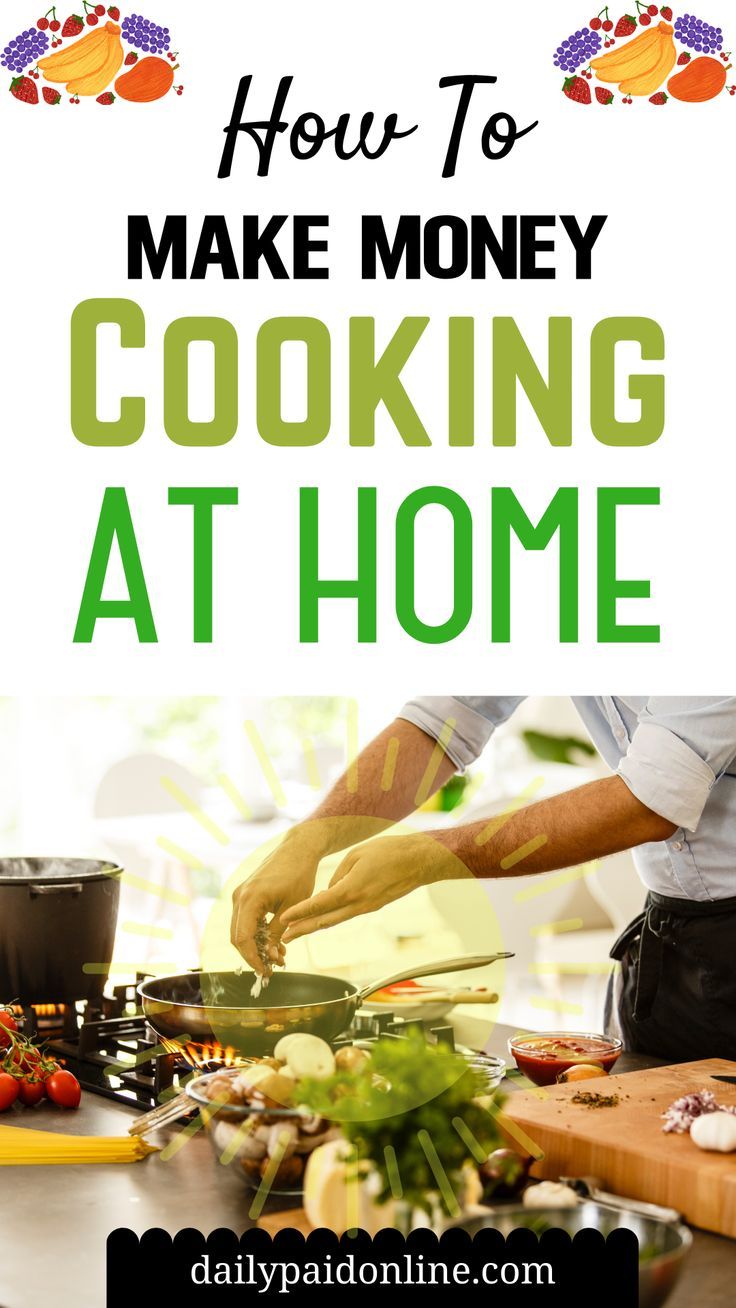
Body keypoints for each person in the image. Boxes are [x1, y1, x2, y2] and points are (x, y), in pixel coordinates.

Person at [231, 697, 736, 1061]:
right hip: (668, 938)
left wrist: (431, 855)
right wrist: (308, 840)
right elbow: (440, 723)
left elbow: (648, 802)